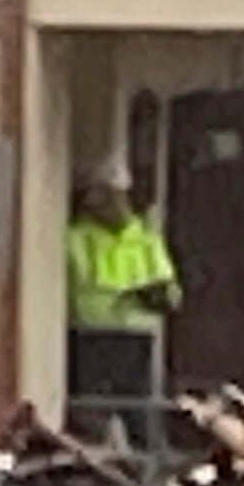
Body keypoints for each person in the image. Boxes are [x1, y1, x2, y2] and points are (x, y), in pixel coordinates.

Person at [64, 164, 180, 437]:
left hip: (136, 336)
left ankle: (143, 471)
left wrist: (162, 296)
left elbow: (169, 285)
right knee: (90, 414)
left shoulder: (145, 239)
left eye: (113, 196)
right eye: (100, 197)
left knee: (139, 415)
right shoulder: (77, 237)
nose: (109, 205)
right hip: (91, 335)